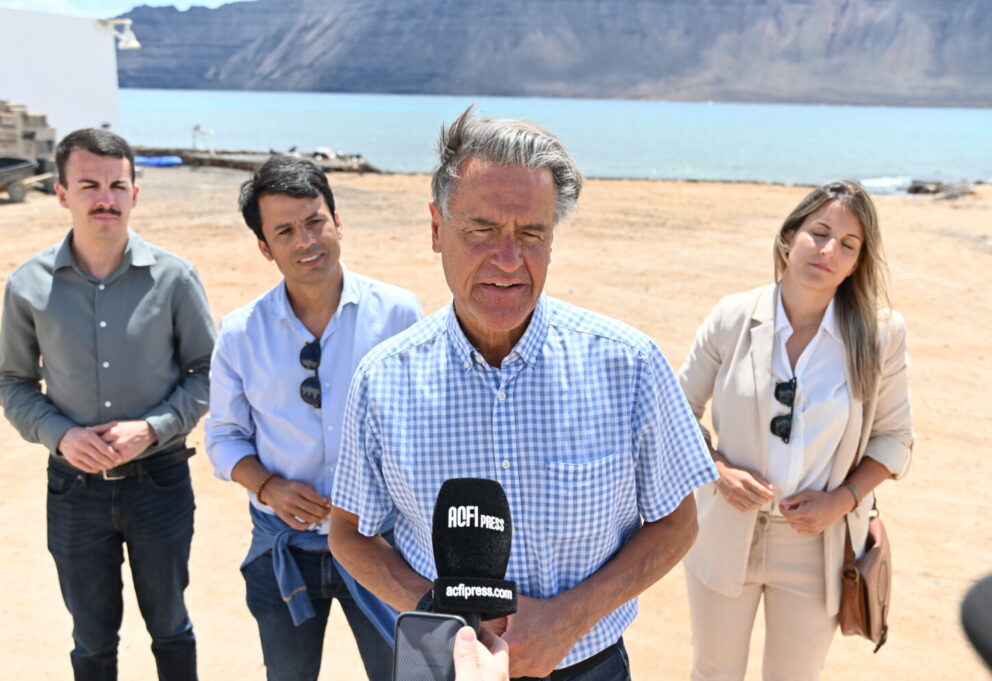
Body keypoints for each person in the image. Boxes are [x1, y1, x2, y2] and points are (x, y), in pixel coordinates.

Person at [328, 107, 718, 680]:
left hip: (590, 667)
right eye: (481, 230)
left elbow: (678, 523)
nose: (508, 260)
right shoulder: (384, 378)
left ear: (552, 239)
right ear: (437, 229)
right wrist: (439, 616)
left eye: (530, 233)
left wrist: (568, 619)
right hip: (438, 667)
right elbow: (349, 534)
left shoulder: (629, 365)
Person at [0, 128, 216, 681]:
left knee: (171, 627)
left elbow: (208, 372)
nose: (105, 199)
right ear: (61, 192)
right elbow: (13, 382)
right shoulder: (27, 286)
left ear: (135, 194)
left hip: (161, 484)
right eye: (89, 184)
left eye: (118, 186)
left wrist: (154, 428)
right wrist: (60, 435)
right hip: (73, 492)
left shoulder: (175, 278)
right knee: (91, 640)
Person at [677, 179, 913, 681]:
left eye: (848, 245)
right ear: (789, 236)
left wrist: (843, 500)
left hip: (817, 545)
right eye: (819, 232)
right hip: (722, 532)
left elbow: (895, 439)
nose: (828, 250)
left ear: (856, 264)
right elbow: (674, 413)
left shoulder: (880, 333)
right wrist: (717, 469)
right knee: (712, 672)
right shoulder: (732, 316)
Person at [204, 155, 422, 681]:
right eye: (285, 231)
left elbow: (427, 427)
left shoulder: (400, 315)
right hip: (284, 550)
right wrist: (270, 488)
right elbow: (223, 437)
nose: (306, 241)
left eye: (314, 221)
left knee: (407, 676)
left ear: (337, 220)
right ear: (264, 247)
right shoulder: (238, 334)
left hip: (383, 546)